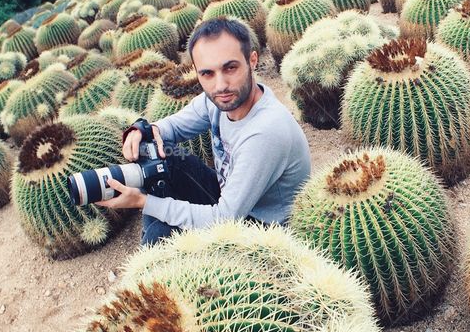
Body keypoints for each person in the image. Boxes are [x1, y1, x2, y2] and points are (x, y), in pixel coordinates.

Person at [96, 17, 311, 245]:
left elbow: (224, 219)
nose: (220, 85)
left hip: (265, 229)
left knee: (162, 233)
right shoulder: (218, 100)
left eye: (230, 68)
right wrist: (143, 129)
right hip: (228, 199)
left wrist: (144, 202)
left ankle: (152, 252)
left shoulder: (265, 132)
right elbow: (172, 128)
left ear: (252, 60)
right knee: (158, 148)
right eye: (207, 73)